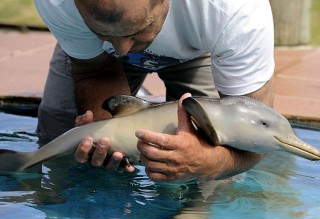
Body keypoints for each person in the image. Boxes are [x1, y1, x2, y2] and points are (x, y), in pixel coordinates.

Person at [34, 0, 275, 182]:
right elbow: (95, 71)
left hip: (198, 46)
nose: (123, 50)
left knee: (213, 148)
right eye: (103, 32)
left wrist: (208, 162)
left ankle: (192, 218)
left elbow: (254, 136)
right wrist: (109, 136)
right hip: (99, 59)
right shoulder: (57, 3)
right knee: (58, 135)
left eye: (139, 29)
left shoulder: (234, 10)